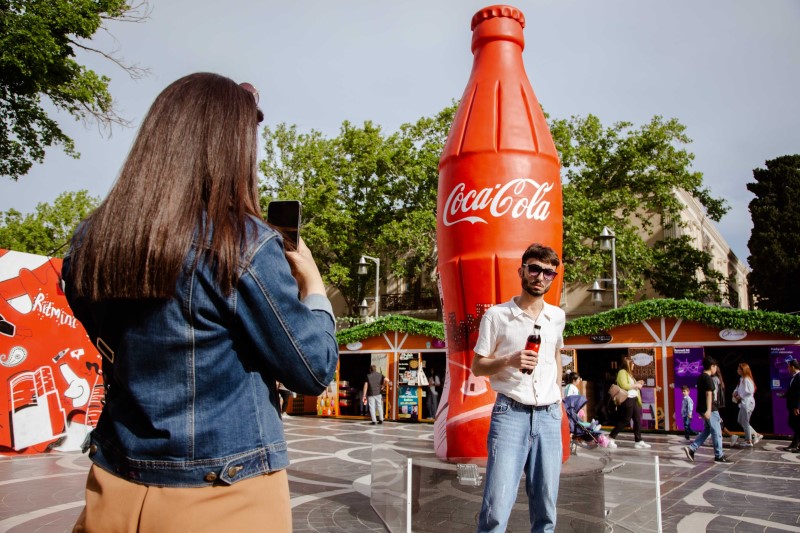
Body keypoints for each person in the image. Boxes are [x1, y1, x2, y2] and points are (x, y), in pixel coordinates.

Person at [62, 73, 339, 533]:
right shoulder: (242, 243)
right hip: (224, 494)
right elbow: (312, 369)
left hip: (114, 489)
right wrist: (313, 287)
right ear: (230, 149)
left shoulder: (92, 240)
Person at [471, 243, 566, 533]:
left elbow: (555, 355)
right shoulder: (497, 315)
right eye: (534, 269)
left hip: (549, 415)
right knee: (497, 506)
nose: (540, 277)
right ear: (521, 271)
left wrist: (559, 396)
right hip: (510, 413)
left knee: (546, 507)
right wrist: (509, 360)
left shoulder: (557, 316)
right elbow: (478, 366)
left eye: (548, 273)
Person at [683, 357, 732, 464]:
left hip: (702, 408)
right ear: (712, 366)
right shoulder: (708, 378)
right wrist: (709, 410)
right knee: (717, 431)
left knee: (708, 430)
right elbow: (709, 394)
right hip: (710, 409)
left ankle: (692, 448)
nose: (716, 369)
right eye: (715, 366)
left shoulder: (701, 377)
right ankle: (719, 456)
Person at [608, 355, 650, 449]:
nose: (633, 365)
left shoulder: (629, 374)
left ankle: (638, 440)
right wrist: (636, 385)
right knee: (625, 420)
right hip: (628, 399)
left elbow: (630, 385)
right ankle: (611, 437)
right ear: (628, 364)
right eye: (632, 363)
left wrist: (637, 383)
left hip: (634, 399)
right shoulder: (622, 372)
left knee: (637, 420)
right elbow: (624, 385)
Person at [732, 363, 761, 447]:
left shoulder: (747, 379)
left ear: (743, 370)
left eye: (739, 369)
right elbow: (738, 389)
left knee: (745, 422)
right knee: (740, 420)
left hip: (747, 403)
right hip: (744, 403)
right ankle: (755, 434)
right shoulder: (741, 379)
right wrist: (735, 392)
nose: (737, 370)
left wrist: (740, 396)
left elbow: (750, 391)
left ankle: (748, 440)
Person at [784, 359, 800, 452]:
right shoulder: (794, 376)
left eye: (788, 366)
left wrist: (797, 406)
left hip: (796, 406)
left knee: (794, 424)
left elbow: (799, 392)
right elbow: (792, 390)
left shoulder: (799, 376)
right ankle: (794, 444)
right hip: (792, 405)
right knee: (795, 424)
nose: (788, 368)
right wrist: (784, 395)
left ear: (793, 367)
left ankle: (795, 444)